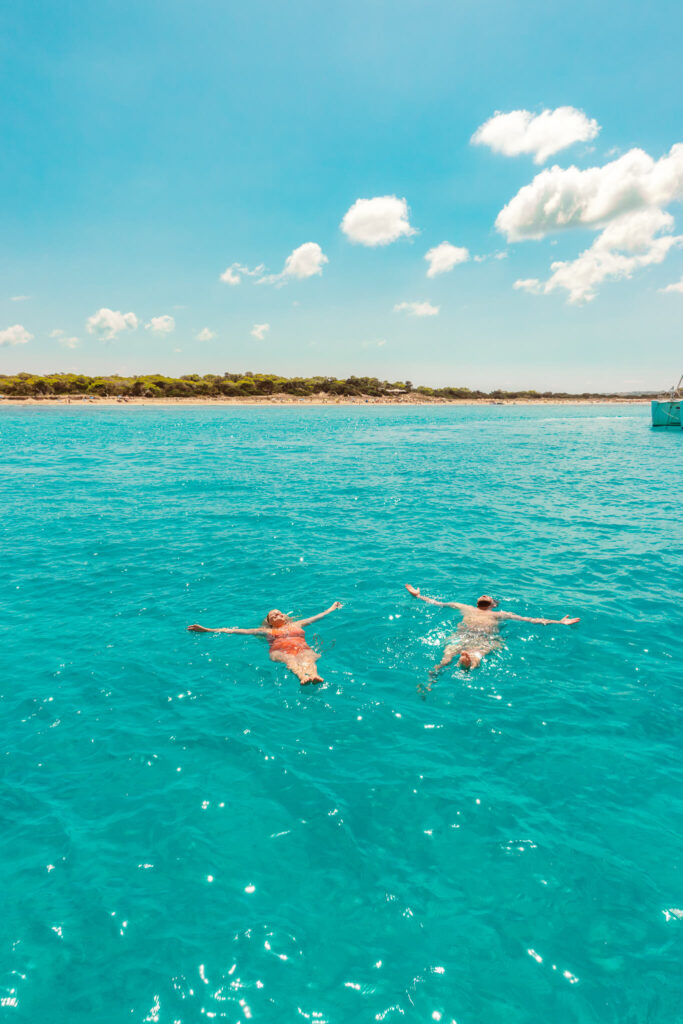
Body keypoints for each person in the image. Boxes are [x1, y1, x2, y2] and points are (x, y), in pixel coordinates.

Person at [405, 585, 579, 672]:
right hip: (463, 634)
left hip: (483, 638)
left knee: (476, 655)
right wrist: (419, 596)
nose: (484, 594)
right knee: (446, 657)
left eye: (488, 596)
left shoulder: (500, 614)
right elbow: (438, 603)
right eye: (482, 595)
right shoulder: (465, 607)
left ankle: (467, 664)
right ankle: (438, 671)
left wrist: (558, 622)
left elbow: (531, 620)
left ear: (493, 605)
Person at [187, 602, 343, 684]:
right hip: (280, 652)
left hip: (301, 648)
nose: (276, 615)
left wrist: (332, 608)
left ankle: (315, 676)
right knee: (290, 660)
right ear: (269, 622)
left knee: (308, 656)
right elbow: (237, 631)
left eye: (278, 613)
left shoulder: (297, 624)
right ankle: (303, 676)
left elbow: (318, 616)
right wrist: (207, 629)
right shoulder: (267, 631)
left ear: (284, 616)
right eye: (272, 616)